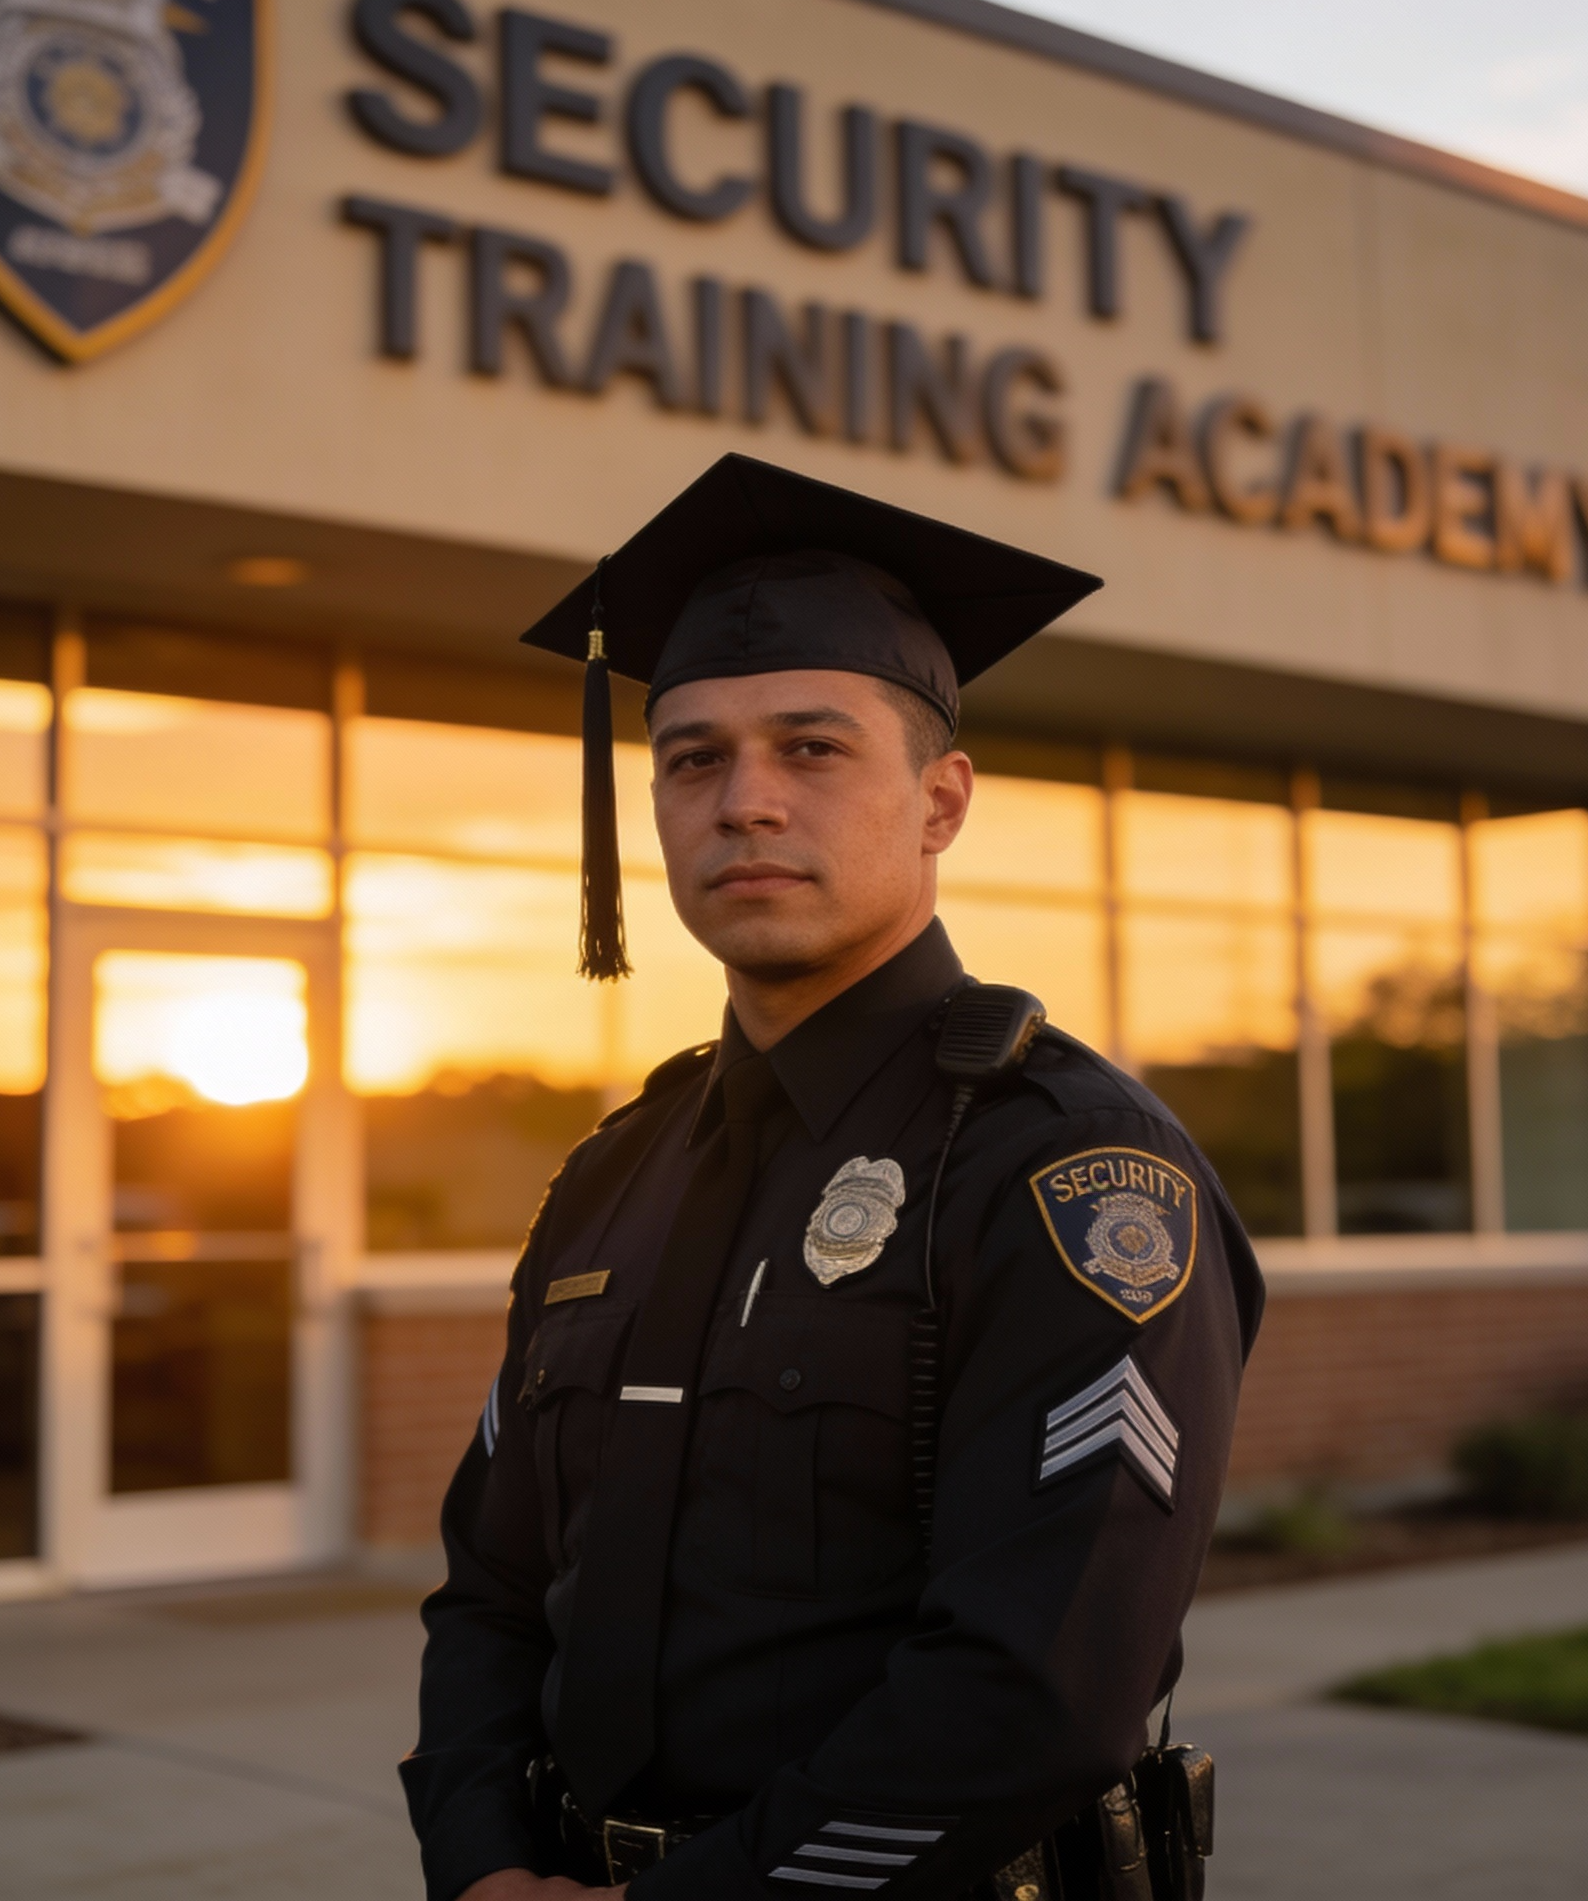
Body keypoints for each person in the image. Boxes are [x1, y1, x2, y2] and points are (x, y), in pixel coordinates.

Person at [400, 454, 1265, 1901]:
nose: (743, 801)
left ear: (941, 804)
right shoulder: (614, 1175)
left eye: (811, 748)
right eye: (693, 757)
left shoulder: (1062, 1167)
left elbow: (1033, 1688)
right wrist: (481, 1861)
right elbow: (490, 1590)